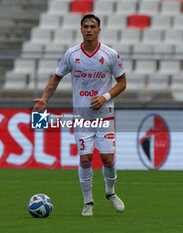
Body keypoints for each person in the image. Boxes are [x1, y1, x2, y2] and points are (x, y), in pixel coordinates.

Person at [33, 14, 127, 216]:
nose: (89, 29)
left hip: (105, 116)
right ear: (81, 29)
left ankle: (110, 192)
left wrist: (105, 97)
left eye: (93, 26)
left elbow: (122, 83)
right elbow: (56, 79)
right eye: (85, 26)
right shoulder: (72, 54)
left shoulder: (110, 54)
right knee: (85, 159)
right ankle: (88, 203)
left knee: (107, 158)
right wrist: (44, 99)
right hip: (82, 118)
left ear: (99, 30)